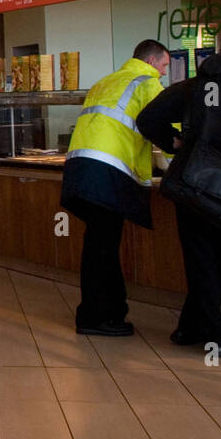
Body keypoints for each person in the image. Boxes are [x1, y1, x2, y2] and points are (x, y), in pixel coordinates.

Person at [136, 28, 221, 354]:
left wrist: (176, 143)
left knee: (200, 262)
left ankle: (189, 327)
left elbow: (148, 117)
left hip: (193, 185)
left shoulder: (196, 85)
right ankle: (217, 334)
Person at [60, 39, 170, 337]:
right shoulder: (147, 83)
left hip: (80, 170)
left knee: (99, 245)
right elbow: (163, 130)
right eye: (164, 66)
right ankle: (96, 317)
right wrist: (178, 160)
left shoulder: (105, 82)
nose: (164, 73)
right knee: (102, 247)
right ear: (151, 61)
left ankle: (107, 312)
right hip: (107, 173)